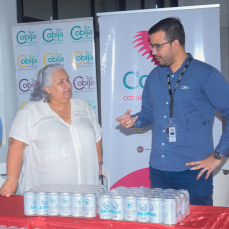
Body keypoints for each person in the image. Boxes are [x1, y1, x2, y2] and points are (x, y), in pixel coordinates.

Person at [116, 17, 229, 206]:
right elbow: (147, 115)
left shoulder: (206, 75)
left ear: (175, 43)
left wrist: (218, 156)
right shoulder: (154, 76)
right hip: (159, 170)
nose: (153, 52)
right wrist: (134, 120)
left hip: (193, 172)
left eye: (157, 46)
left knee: (196, 224)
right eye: (152, 46)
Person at [0, 63, 102, 197]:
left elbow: (97, 136)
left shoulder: (83, 107)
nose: (68, 85)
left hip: (86, 193)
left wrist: (98, 161)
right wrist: (12, 179)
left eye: (68, 79)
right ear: (47, 88)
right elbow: (16, 143)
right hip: (44, 197)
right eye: (61, 82)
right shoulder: (31, 112)